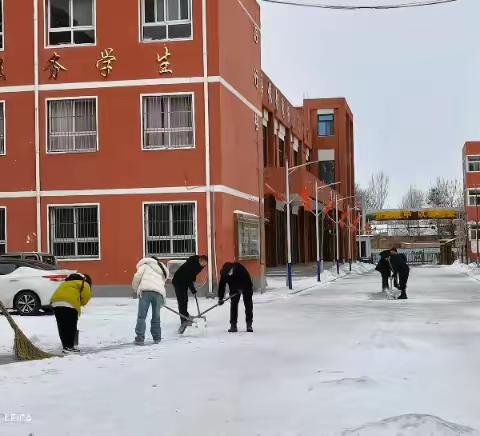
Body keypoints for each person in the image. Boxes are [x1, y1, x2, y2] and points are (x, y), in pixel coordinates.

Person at [51, 273, 92, 354]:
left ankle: (65, 346)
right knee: (71, 326)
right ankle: (69, 346)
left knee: (62, 326)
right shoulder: (84, 283)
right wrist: (80, 303)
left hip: (55, 303)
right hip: (69, 304)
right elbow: (86, 297)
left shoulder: (66, 283)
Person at [132, 256, 169, 345]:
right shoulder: (161, 269)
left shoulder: (145, 265)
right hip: (158, 293)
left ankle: (139, 338)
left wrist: (136, 289)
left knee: (142, 316)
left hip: (146, 291)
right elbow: (163, 281)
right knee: (156, 316)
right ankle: (157, 337)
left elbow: (137, 277)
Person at [172, 255, 208, 332]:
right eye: (203, 263)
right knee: (182, 301)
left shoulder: (198, 265)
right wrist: (193, 289)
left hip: (184, 282)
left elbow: (191, 277)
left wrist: (193, 287)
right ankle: (183, 321)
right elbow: (188, 277)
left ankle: (186, 315)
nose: (204, 265)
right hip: (178, 281)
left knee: (185, 300)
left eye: (205, 264)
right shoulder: (192, 265)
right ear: (200, 260)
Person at [218, 262, 254, 333]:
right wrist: (221, 298)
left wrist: (242, 288)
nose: (229, 274)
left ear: (232, 268)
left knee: (248, 304)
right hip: (234, 288)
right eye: (228, 273)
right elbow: (222, 286)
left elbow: (247, 280)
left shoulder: (239, 268)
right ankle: (233, 325)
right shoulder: (224, 274)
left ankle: (249, 324)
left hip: (246, 286)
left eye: (230, 272)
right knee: (234, 304)